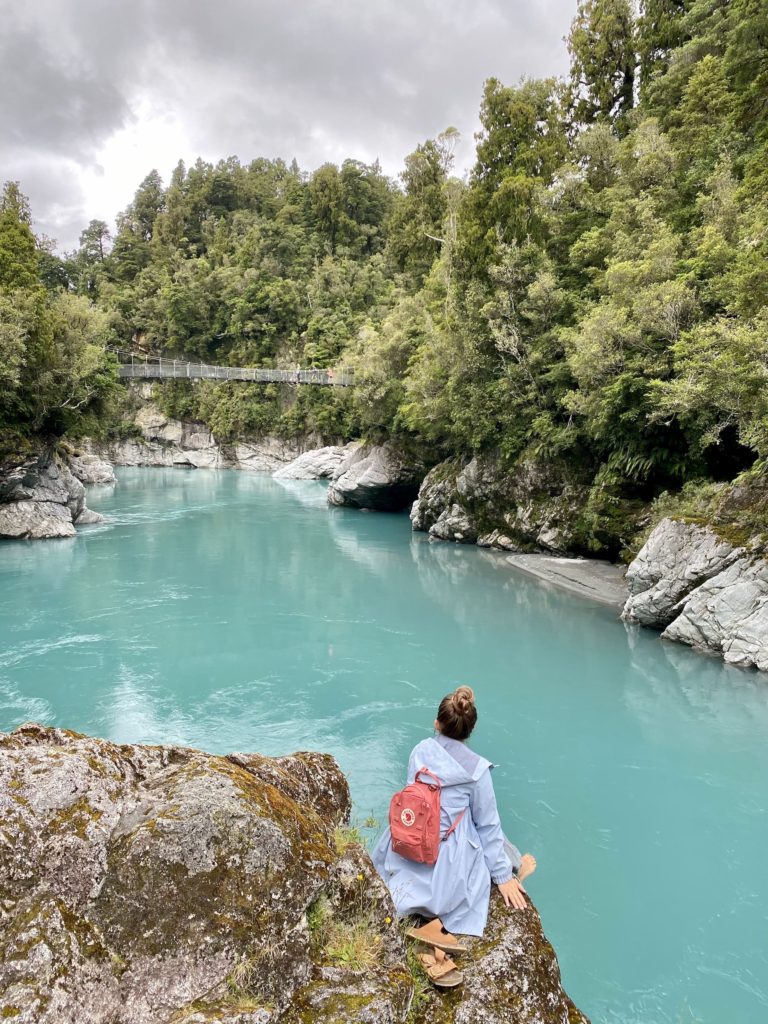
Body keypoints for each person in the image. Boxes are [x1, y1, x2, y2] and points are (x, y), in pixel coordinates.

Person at [372, 685, 536, 986]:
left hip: (407, 845)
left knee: (445, 817)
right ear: (469, 731)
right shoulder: (477, 771)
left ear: (437, 724)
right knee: (482, 831)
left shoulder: (420, 750)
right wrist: (502, 878)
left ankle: (417, 919)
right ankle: (511, 866)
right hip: (444, 865)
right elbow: (487, 826)